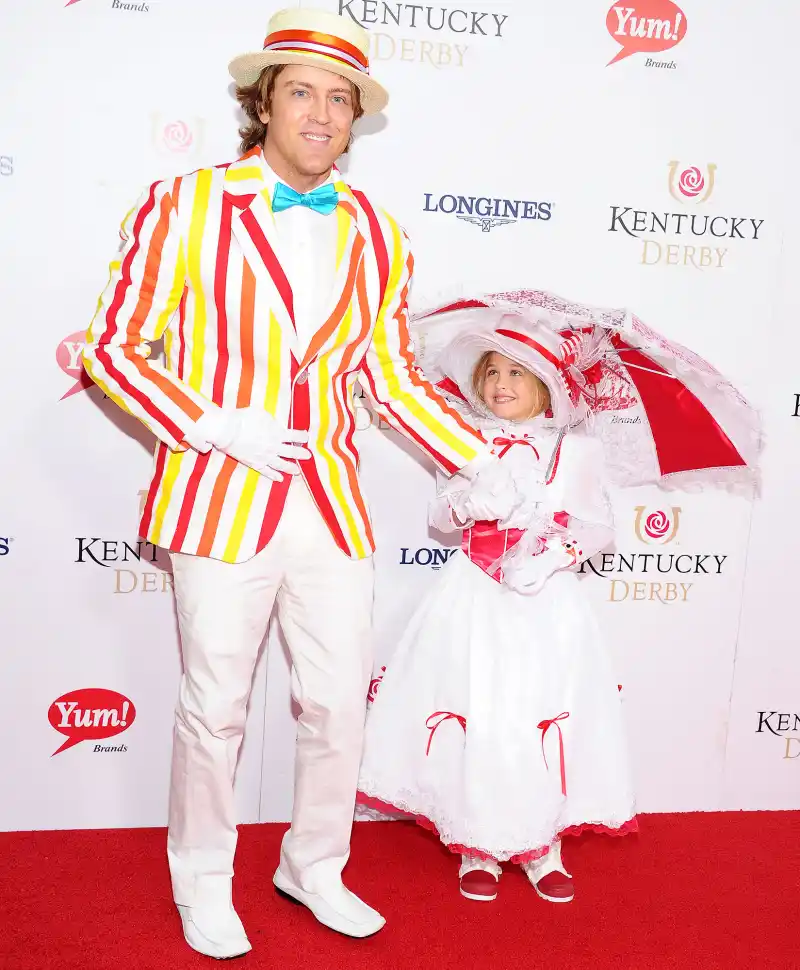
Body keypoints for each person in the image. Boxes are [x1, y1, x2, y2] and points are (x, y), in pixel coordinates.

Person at [82, 7, 518, 959]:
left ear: (356, 116)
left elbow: (391, 377)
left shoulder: (377, 231)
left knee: (333, 702)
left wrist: (479, 456)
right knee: (216, 707)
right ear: (262, 103)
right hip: (216, 496)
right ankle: (202, 877)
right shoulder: (183, 205)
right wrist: (208, 423)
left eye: (340, 98)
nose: (322, 113)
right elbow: (110, 350)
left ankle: (313, 864)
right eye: (302, 92)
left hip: (330, 504)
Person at [357, 315, 638, 903]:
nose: (500, 384)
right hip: (473, 597)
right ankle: (476, 844)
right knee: (476, 707)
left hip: (544, 602)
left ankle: (542, 846)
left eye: (516, 372)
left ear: (547, 384)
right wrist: (471, 505)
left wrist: (553, 554)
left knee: (537, 714)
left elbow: (600, 526)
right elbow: (439, 516)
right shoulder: (464, 438)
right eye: (491, 373)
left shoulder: (575, 451)